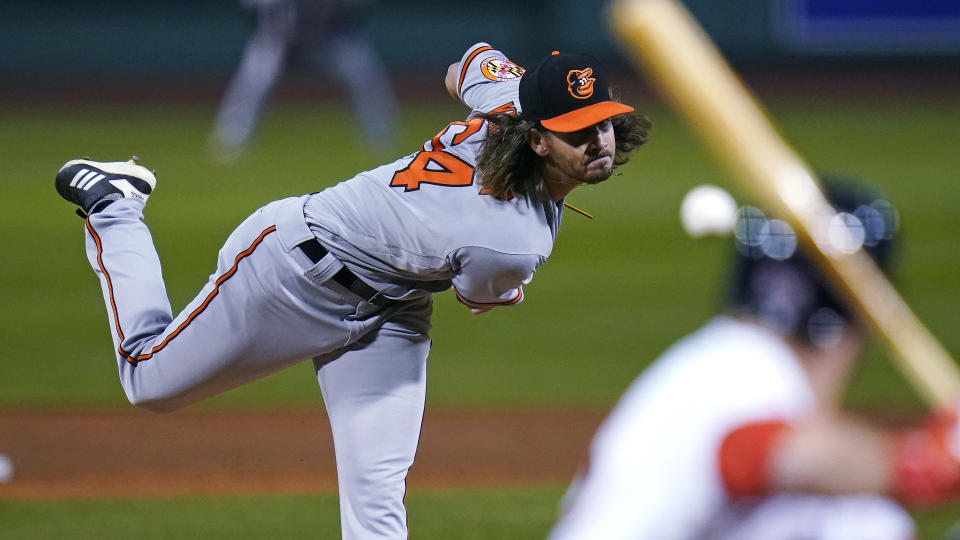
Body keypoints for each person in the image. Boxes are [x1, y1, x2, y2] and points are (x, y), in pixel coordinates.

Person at [54, 43, 651, 539]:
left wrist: (503, 98)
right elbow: (483, 297)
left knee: (378, 500)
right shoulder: (511, 243)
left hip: (392, 312)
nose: (599, 140)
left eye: (601, 121)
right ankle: (115, 204)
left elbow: (466, 64)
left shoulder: (510, 105)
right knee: (148, 381)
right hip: (293, 269)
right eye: (577, 131)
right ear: (538, 141)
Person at [548, 178, 960, 539]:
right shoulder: (743, 369)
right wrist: (925, 459)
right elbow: (763, 454)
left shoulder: (717, 362)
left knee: (860, 521)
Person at [210, 0, 397, 161]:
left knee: (362, 73)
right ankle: (231, 139)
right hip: (277, 40)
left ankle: (381, 137)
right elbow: (253, 11)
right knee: (253, 83)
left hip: (328, 39)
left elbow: (358, 10)